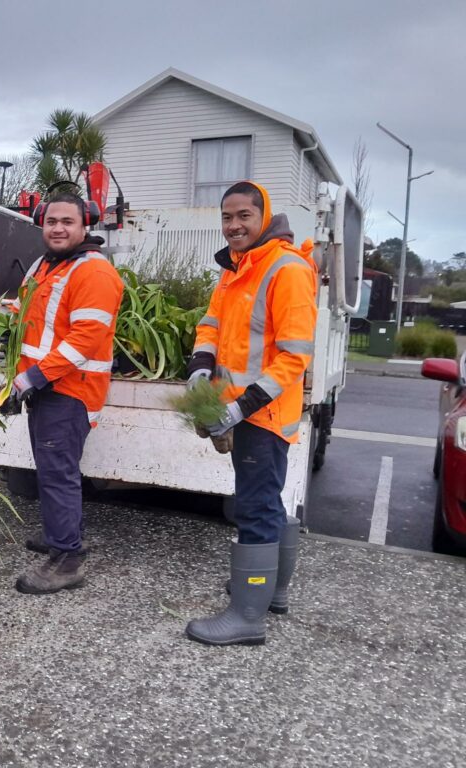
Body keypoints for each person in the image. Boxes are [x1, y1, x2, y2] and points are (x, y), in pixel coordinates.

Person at [185, 181, 318, 646]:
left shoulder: (287, 269)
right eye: (227, 217)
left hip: (261, 415)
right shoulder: (237, 269)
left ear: (264, 216)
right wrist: (200, 370)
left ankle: (247, 616)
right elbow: (211, 324)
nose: (234, 225)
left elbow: (294, 356)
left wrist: (239, 408)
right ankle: (271, 593)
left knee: (254, 508)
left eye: (243, 215)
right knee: (266, 501)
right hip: (243, 411)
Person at [11, 194, 124, 595]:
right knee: (53, 466)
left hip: (70, 389)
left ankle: (67, 559)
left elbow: (86, 341)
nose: (58, 228)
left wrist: (33, 378)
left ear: (85, 225)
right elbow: (28, 318)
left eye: (67, 222)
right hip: (44, 386)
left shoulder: (94, 273)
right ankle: (63, 530)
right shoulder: (46, 266)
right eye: (52, 221)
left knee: (57, 471)